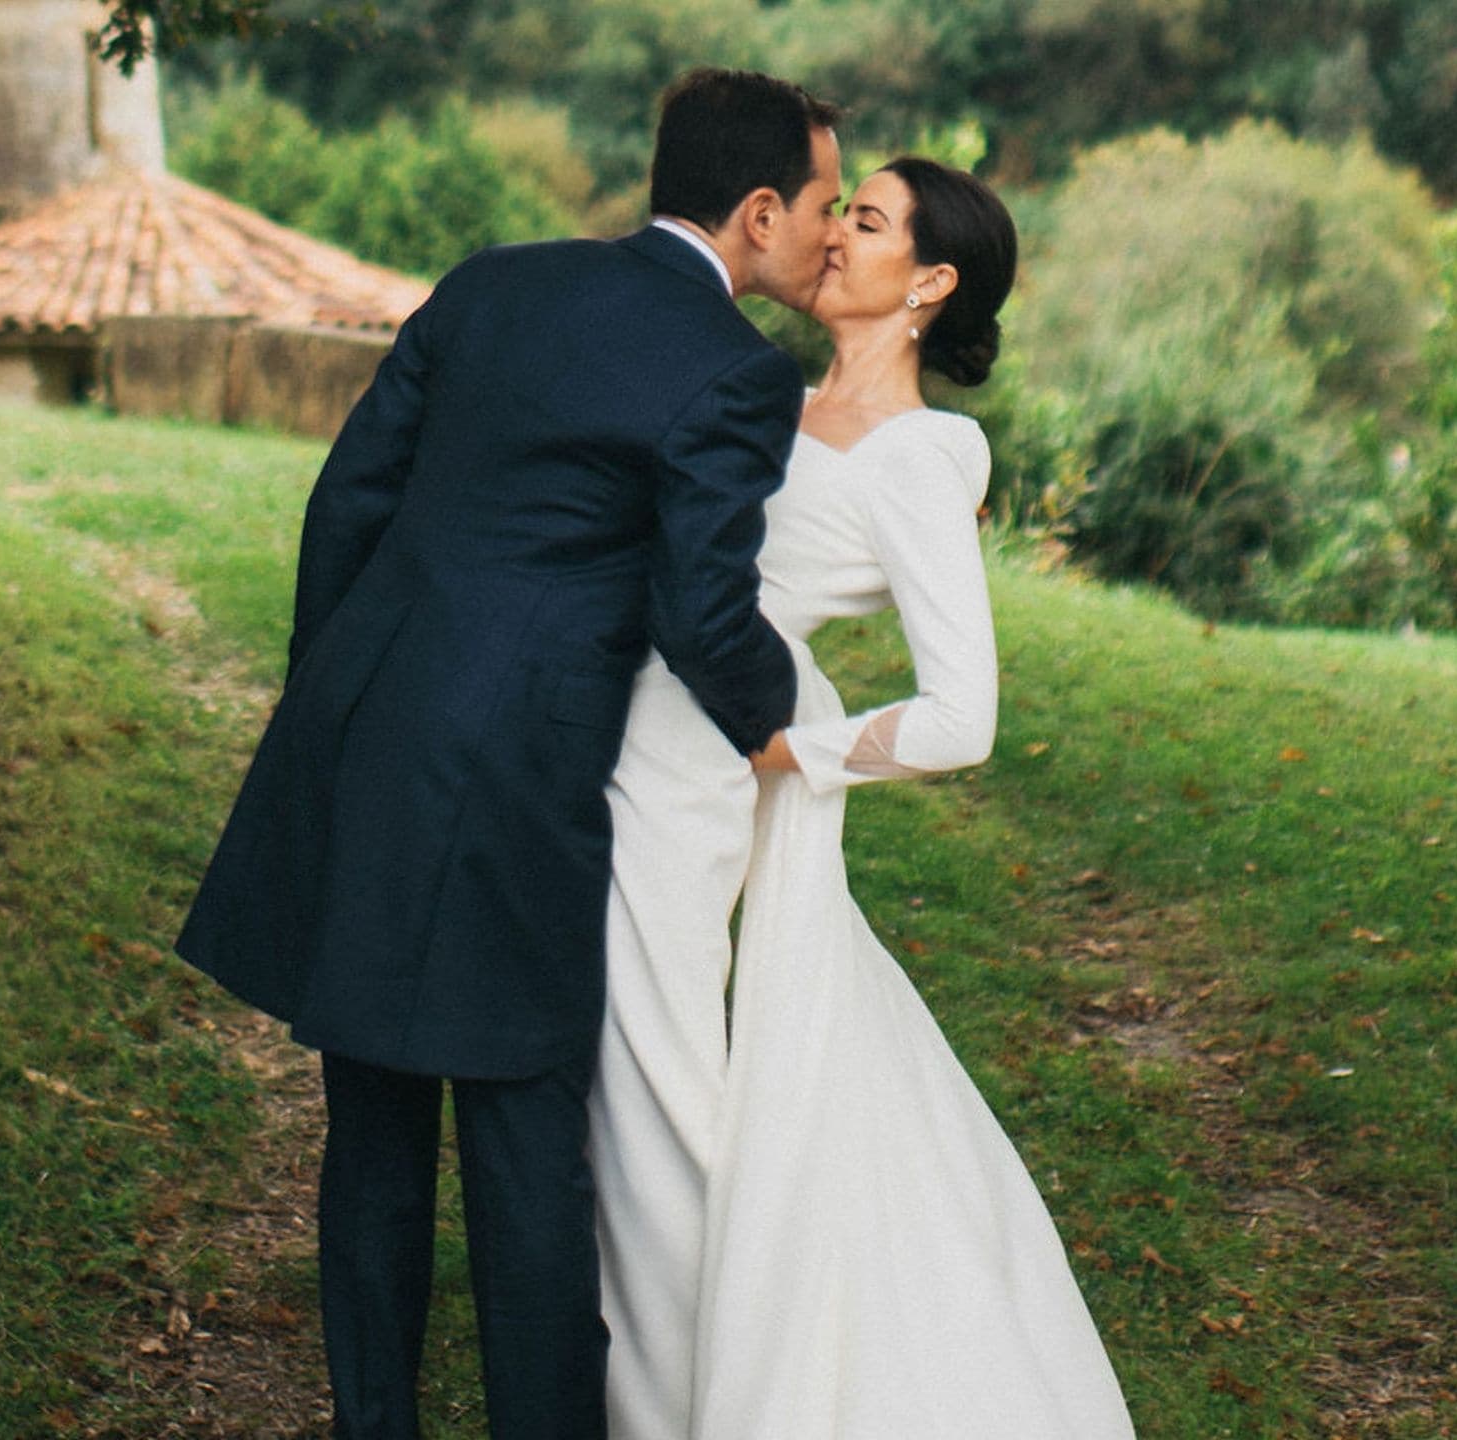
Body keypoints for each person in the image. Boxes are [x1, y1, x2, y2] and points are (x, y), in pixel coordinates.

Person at [173, 68, 843, 1440]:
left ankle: (376, 1423)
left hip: (371, 721)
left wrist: (340, 698)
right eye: (826, 206)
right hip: (520, 779)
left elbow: (348, 496)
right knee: (526, 1128)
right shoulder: (736, 375)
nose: (830, 237)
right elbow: (704, 614)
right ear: (759, 209)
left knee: (370, 1116)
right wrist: (798, 723)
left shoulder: (493, 282)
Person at [589, 158, 1137, 1437]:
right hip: (643, 735)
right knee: (651, 1080)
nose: (835, 237)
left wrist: (800, 750)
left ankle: (692, 1403)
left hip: (729, 766)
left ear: (931, 283)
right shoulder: (760, 397)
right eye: (845, 211)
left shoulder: (921, 456)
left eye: (871, 221)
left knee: (662, 1084)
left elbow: (963, 716)